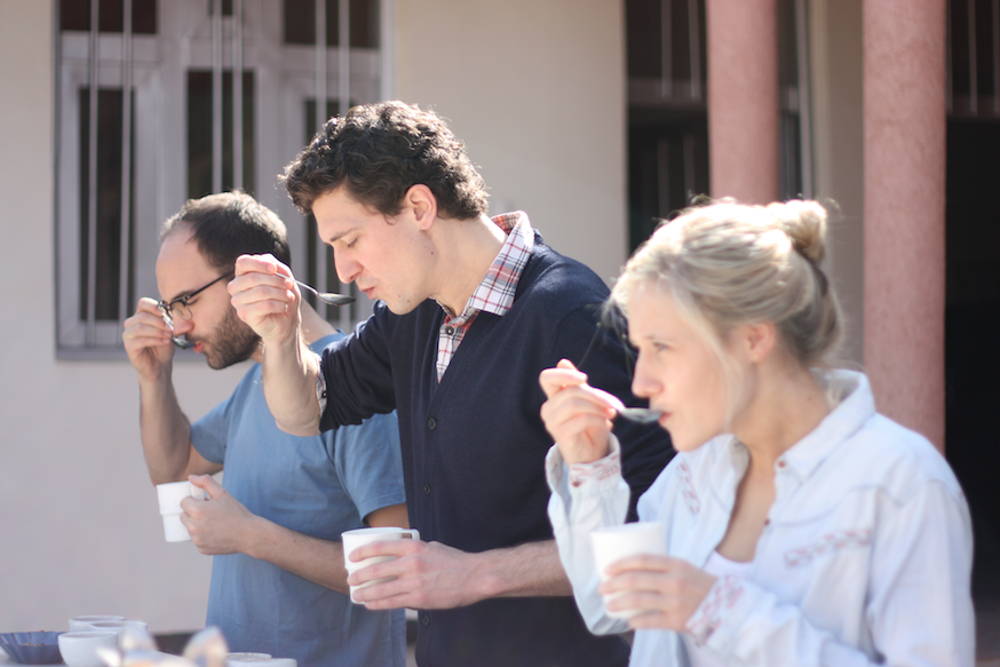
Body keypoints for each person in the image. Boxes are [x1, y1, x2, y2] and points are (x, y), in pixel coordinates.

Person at [228, 101, 673, 666]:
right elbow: (305, 412)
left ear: (418, 206)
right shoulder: (413, 312)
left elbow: (646, 536)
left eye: (350, 241)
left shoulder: (571, 316)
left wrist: (472, 575)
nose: (342, 271)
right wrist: (279, 334)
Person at [540, 198, 975, 665]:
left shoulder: (901, 483)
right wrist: (590, 465)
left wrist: (721, 613)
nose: (641, 382)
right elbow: (612, 607)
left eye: (662, 347)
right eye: (639, 350)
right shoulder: (697, 467)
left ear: (753, 338)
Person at [121, 192, 408, 666]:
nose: (179, 326)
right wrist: (153, 377)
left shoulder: (358, 389)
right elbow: (172, 469)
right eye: (170, 308)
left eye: (187, 300)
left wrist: (250, 536)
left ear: (253, 276)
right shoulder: (257, 384)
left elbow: (395, 570)